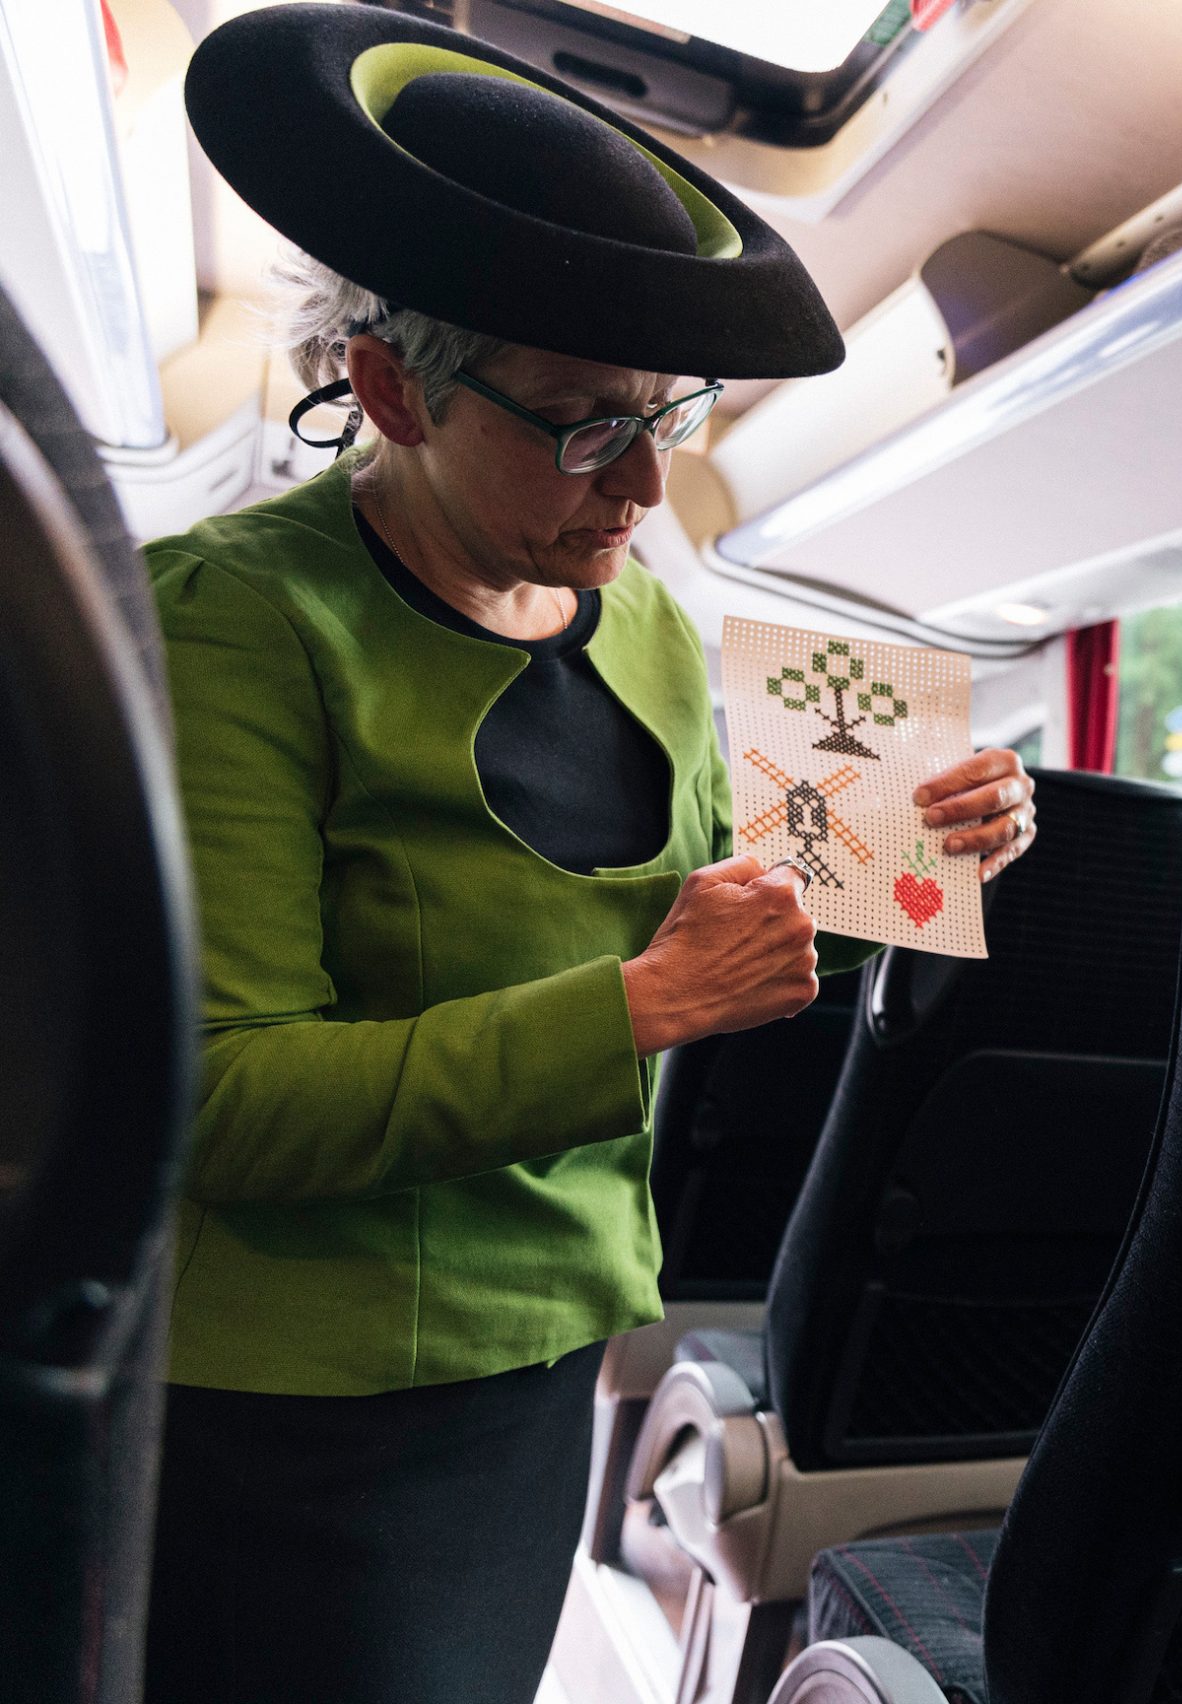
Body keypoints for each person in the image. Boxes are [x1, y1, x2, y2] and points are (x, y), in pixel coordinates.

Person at [145, 9, 1038, 1701]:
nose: (635, 482)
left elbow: (726, 930)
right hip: (295, 1406)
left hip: (548, 1348)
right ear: (392, 385)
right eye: (574, 422)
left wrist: (914, 851)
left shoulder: (638, 625)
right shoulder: (234, 624)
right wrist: (631, 1008)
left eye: (667, 415)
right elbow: (217, 1097)